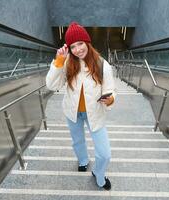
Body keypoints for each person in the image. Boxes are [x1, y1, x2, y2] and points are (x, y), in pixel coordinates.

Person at [46, 22, 116, 190]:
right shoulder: (67, 62)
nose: (77, 49)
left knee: (105, 153)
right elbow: (51, 85)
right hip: (73, 111)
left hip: (95, 113)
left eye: (80, 44)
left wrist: (111, 99)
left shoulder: (101, 64)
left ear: (87, 42)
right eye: (73, 46)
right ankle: (83, 160)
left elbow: (110, 89)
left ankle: (99, 174)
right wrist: (58, 61)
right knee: (78, 141)